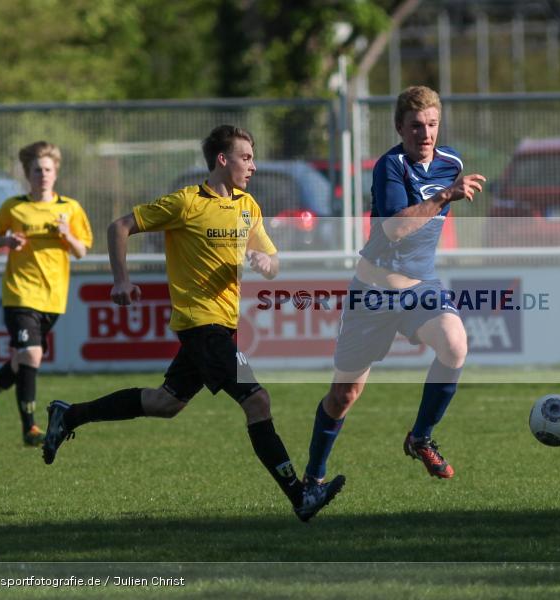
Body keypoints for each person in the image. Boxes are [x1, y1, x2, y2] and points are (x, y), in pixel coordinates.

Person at [40, 125, 344, 522]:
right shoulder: (186, 203)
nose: (252, 166)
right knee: (257, 400)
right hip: (201, 324)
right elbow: (119, 227)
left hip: (223, 324)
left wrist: (267, 263)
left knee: (166, 403)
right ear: (223, 159)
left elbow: (271, 260)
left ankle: (69, 414)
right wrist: (121, 280)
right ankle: (299, 496)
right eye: (246, 157)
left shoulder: (248, 207)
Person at [304, 86, 486, 485]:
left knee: (455, 345)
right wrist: (445, 196)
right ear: (400, 127)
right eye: (417, 126)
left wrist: (445, 191)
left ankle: (421, 437)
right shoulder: (391, 166)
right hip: (374, 293)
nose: (426, 134)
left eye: (433, 124)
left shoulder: (450, 161)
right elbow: (396, 228)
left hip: (422, 286)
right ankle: (313, 481)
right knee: (343, 397)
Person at [0, 141, 92, 447]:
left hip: (53, 297)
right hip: (19, 292)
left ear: (56, 173)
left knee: (21, 362)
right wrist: (7, 240)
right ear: (28, 173)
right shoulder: (15, 206)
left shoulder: (70, 208)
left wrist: (67, 235)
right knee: (31, 354)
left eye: (48, 169)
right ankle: (30, 428)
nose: (43, 175)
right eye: (37, 170)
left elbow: (81, 250)